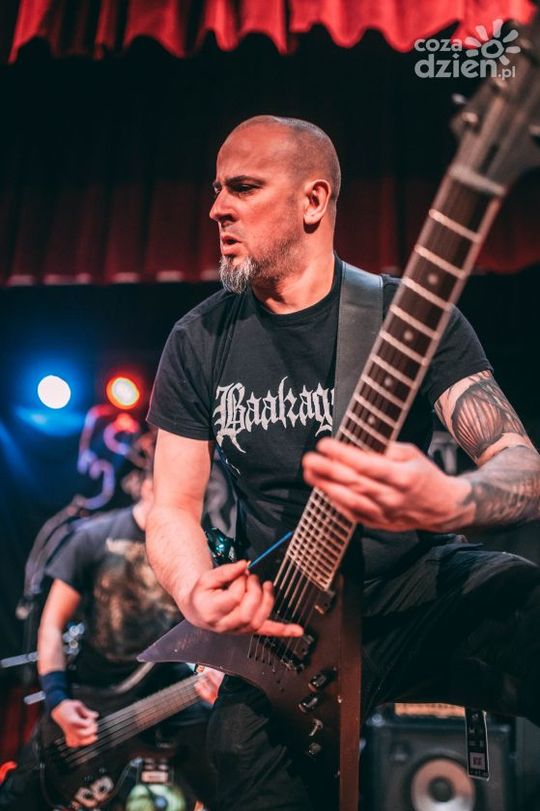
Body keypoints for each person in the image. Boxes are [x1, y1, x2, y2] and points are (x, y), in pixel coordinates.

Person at [145, 115, 540, 811]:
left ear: (314, 200)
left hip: (411, 586)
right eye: (216, 189)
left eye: (243, 187)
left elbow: (521, 464)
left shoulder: (406, 316)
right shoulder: (197, 339)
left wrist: (453, 498)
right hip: (283, 623)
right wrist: (195, 590)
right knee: (235, 757)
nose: (217, 209)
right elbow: (173, 506)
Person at [0, 471, 219, 811]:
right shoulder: (92, 537)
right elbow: (52, 625)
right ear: (146, 485)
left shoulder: (197, 551)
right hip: (93, 699)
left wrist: (216, 675)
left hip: (166, 692)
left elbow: (208, 627)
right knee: (22, 800)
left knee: (231, 777)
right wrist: (57, 700)